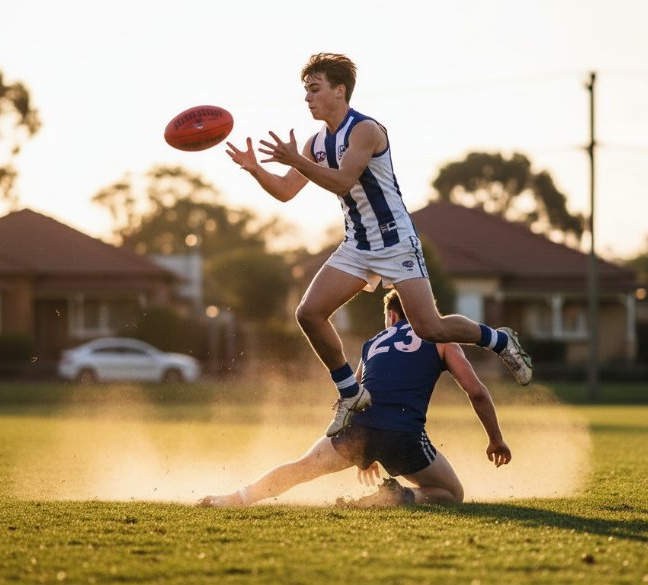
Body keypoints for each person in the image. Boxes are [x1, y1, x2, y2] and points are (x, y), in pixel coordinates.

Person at [226, 52, 532, 437]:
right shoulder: (315, 143)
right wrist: (257, 171)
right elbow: (287, 191)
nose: (307, 98)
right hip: (358, 244)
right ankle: (350, 393)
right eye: (305, 90)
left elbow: (341, 180)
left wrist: (297, 161)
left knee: (431, 328)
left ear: (340, 90)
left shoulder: (366, 130)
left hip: (395, 241)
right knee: (308, 313)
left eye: (315, 89)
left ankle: (500, 339)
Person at [198, 290, 512, 508]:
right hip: (404, 436)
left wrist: (363, 452)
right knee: (451, 494)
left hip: (356, 430)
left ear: (391, 315)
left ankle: (235, 499)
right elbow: (476, 392)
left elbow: (353, 396)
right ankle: (399, 498)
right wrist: (496, 439)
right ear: (425, 311)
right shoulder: (441, 338)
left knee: (300, 468)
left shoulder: (372, 343)